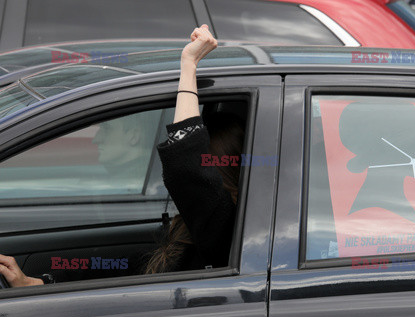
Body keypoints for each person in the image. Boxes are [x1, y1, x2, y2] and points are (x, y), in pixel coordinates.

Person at [0, 24, 242, 286]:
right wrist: (38, 285)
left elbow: (187, 168)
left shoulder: (225, 231)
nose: (96, 138)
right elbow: (127, 272)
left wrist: (189, 65)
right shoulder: (193, 226)